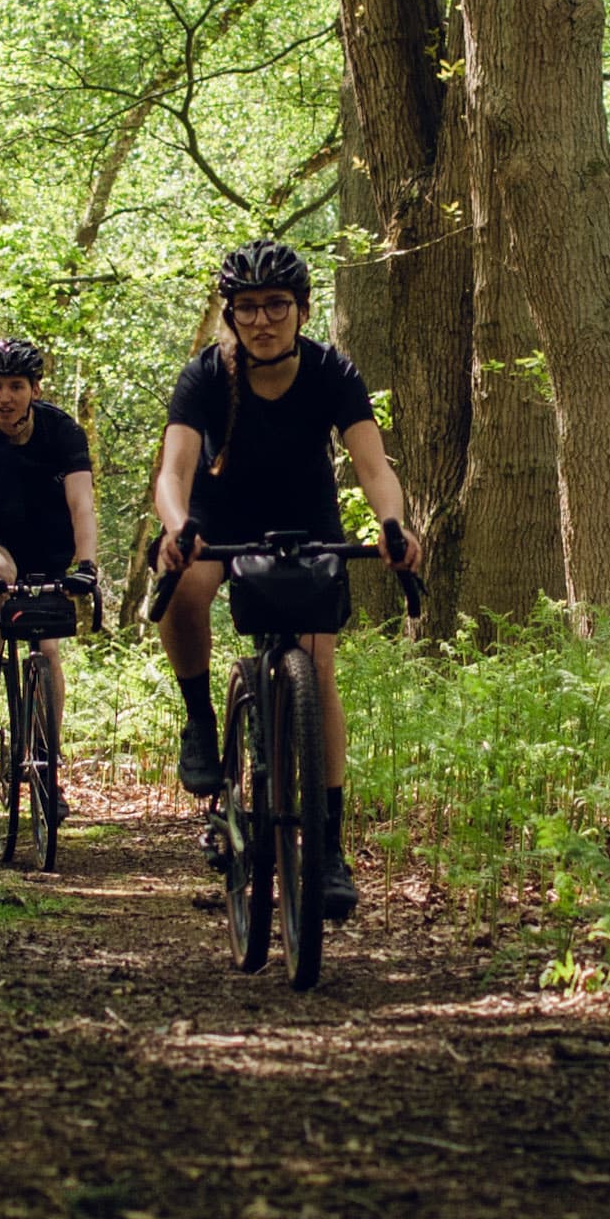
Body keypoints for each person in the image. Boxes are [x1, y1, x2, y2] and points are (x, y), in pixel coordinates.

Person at [153, 238, 421, 920]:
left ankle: (327, 846)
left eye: (276, 304)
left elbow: (373, 465)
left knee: (318, 667)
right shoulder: (206, 376)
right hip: (220, 515)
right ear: (231, 315)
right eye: (247, 307)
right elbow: (172, 472)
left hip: (306, 516)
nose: (262, 319)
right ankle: (198, 722)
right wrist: (176, 526)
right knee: (185, 592)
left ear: (300, 309)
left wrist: (393, 526)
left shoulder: (332, 370)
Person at [0, 336, 98, 741]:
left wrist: (86, 566)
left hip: (48, 540)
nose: (4, 396)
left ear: (35, 389)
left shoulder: (63, 431)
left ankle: (49, 759)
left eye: (15, 386)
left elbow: (82, 504)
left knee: (47, 650)